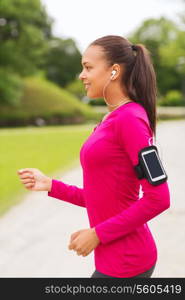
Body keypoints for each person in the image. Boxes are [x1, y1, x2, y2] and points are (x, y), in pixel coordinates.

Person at [17, 35, 170, 278]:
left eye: (88, 67)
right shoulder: (111, 119)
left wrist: (97, 234)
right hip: (112, 261)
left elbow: (159, 198)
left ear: (114, 71)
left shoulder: (130, 120)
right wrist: (50, 185)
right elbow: (103, 197)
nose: (81, 75)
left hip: (127, 263)